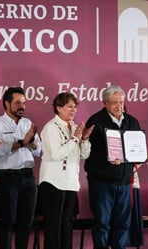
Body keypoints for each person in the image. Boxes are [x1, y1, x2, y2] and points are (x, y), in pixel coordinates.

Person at [84, 85, 148, 249]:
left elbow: (135, 148)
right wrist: (108, 159)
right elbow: (87, 152)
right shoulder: (95, 121)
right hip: (102, 182)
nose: (118, 106)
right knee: (102, 223)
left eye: (121, 102)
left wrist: (142, 158)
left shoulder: (131, 121)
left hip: (124, 181)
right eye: (114, 102)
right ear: (104, 103)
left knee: (123, 224)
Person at [0, 86, 42, 249]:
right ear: (7, 103)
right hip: (7, 177)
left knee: (26, 222)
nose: (22, 106)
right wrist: (22, 142)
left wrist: (31, 142)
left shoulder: (28, 123)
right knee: (8, 221)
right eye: (18, 103)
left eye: (24, 103)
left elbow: (39, 151)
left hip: (28, 177)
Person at [39, 92, 94, 249]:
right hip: (53, 182)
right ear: (58, 108)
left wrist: (84, 139)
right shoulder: (51, 127)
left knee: (67, 226)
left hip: (70, 182)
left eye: (75, 107)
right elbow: (57, 154)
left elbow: (84, 154)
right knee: (53, 228)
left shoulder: (75, 127)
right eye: (70, 107)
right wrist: (75, 139)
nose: (73, 110)